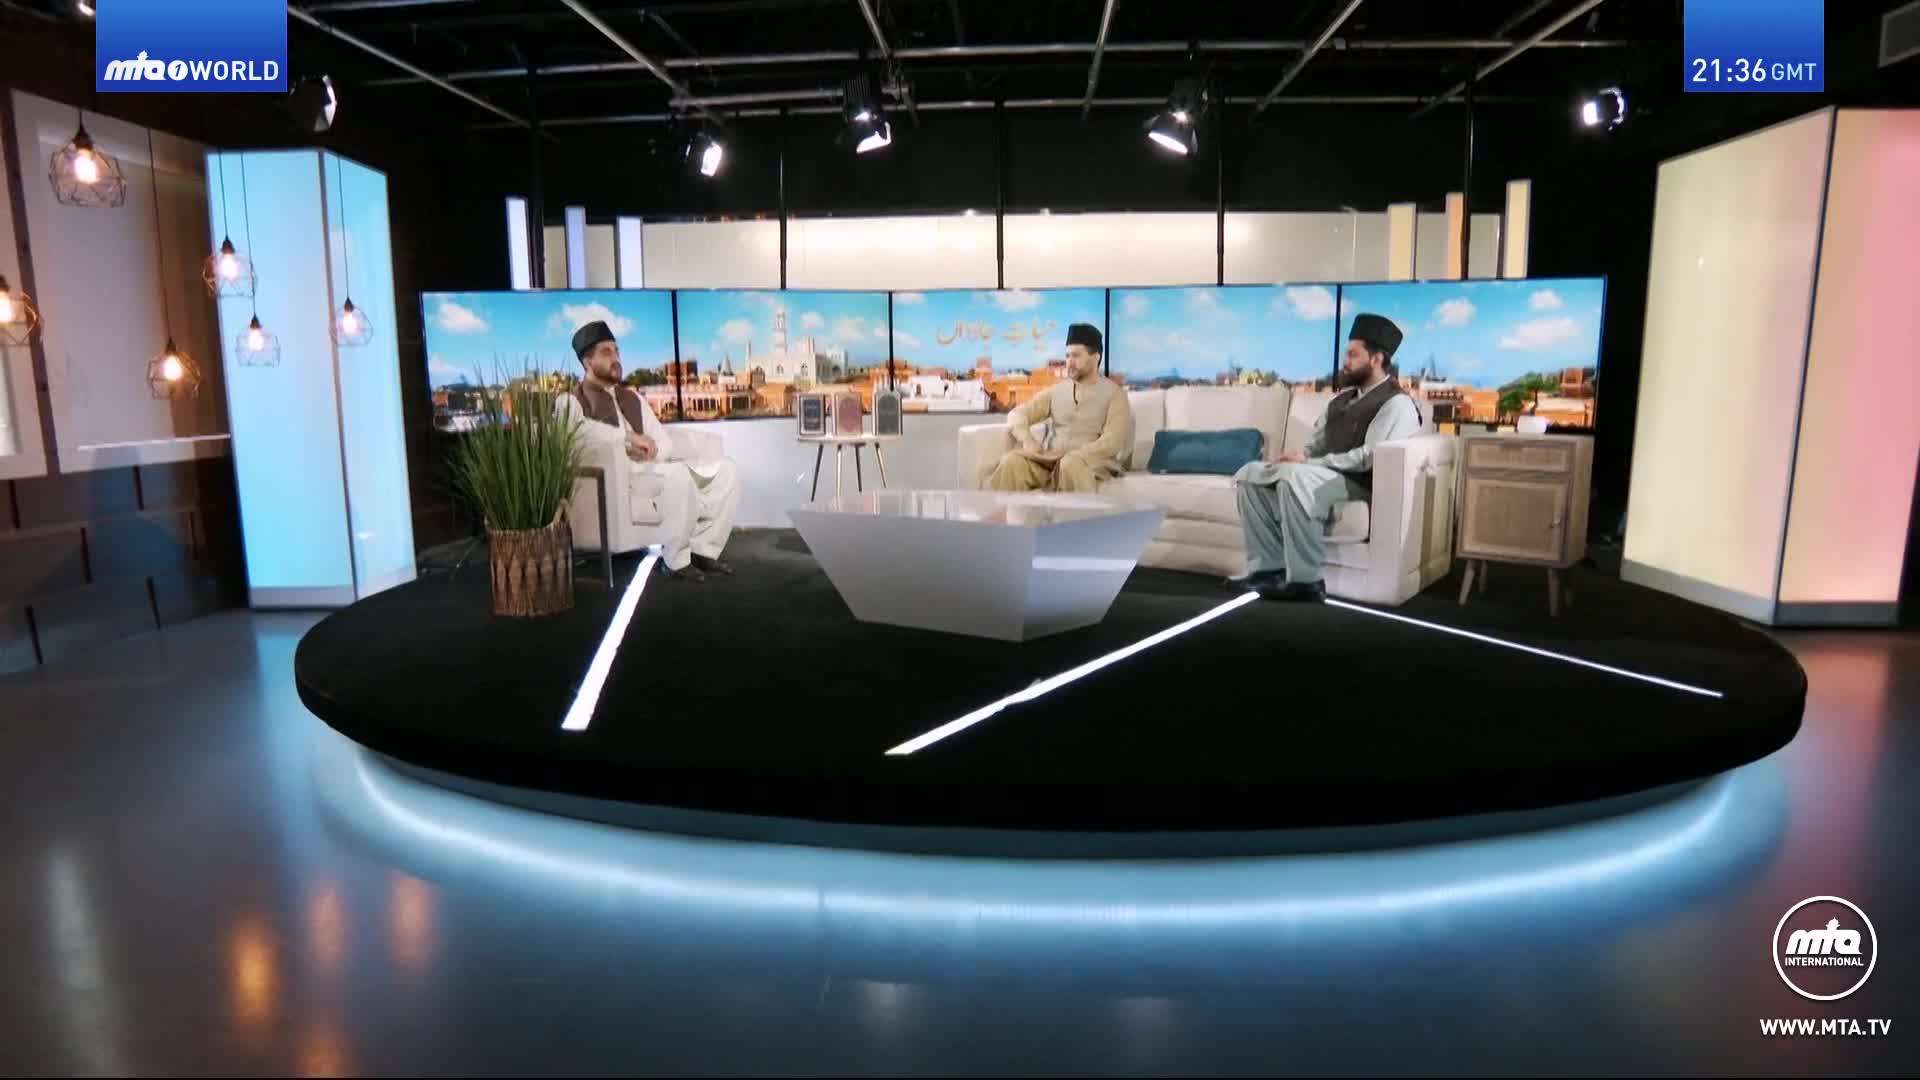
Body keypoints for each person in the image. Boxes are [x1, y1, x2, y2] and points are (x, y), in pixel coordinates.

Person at [1231, 312, 1423, 602]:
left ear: (1376, 360)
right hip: (1321, 474)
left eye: (1352, 355)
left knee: (1294, 478)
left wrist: (1308, 464)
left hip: (1357, 483)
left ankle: (1305, 581)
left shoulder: (1397, 404)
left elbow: (1368, 457)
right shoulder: (1342, 399)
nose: (1345, 362)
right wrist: (1299, 456)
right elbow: (1316, 445)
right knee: (1250, 474)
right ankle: (1267, 571)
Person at [570, 320, 740, 582]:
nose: (616, 358)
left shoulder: (634, 398)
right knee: (679, 475)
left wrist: (653, 452)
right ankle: (675, 562)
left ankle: (703, 551)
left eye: (617, 351)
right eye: (606, 352)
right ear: (586, 362)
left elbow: (662, 439)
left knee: (726, 469)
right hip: (621, 477)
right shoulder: (571, 400)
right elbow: (579, 432)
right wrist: (626, 439)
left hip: (651, 467)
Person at [986, 323, 1132, 493]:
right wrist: (1028, 441)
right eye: (1067, 356)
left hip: (1091, 463)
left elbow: (1112, 443)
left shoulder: (1115, 395)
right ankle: (1005, 518)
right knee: (1012, 462)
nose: (1069, 362)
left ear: (1096, 358)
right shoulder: (1056, 391)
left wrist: (1072, 454)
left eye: (1076, 356)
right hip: (1050, 461)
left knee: (1070, 464)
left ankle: (1079, 519)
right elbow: (1017, 414)